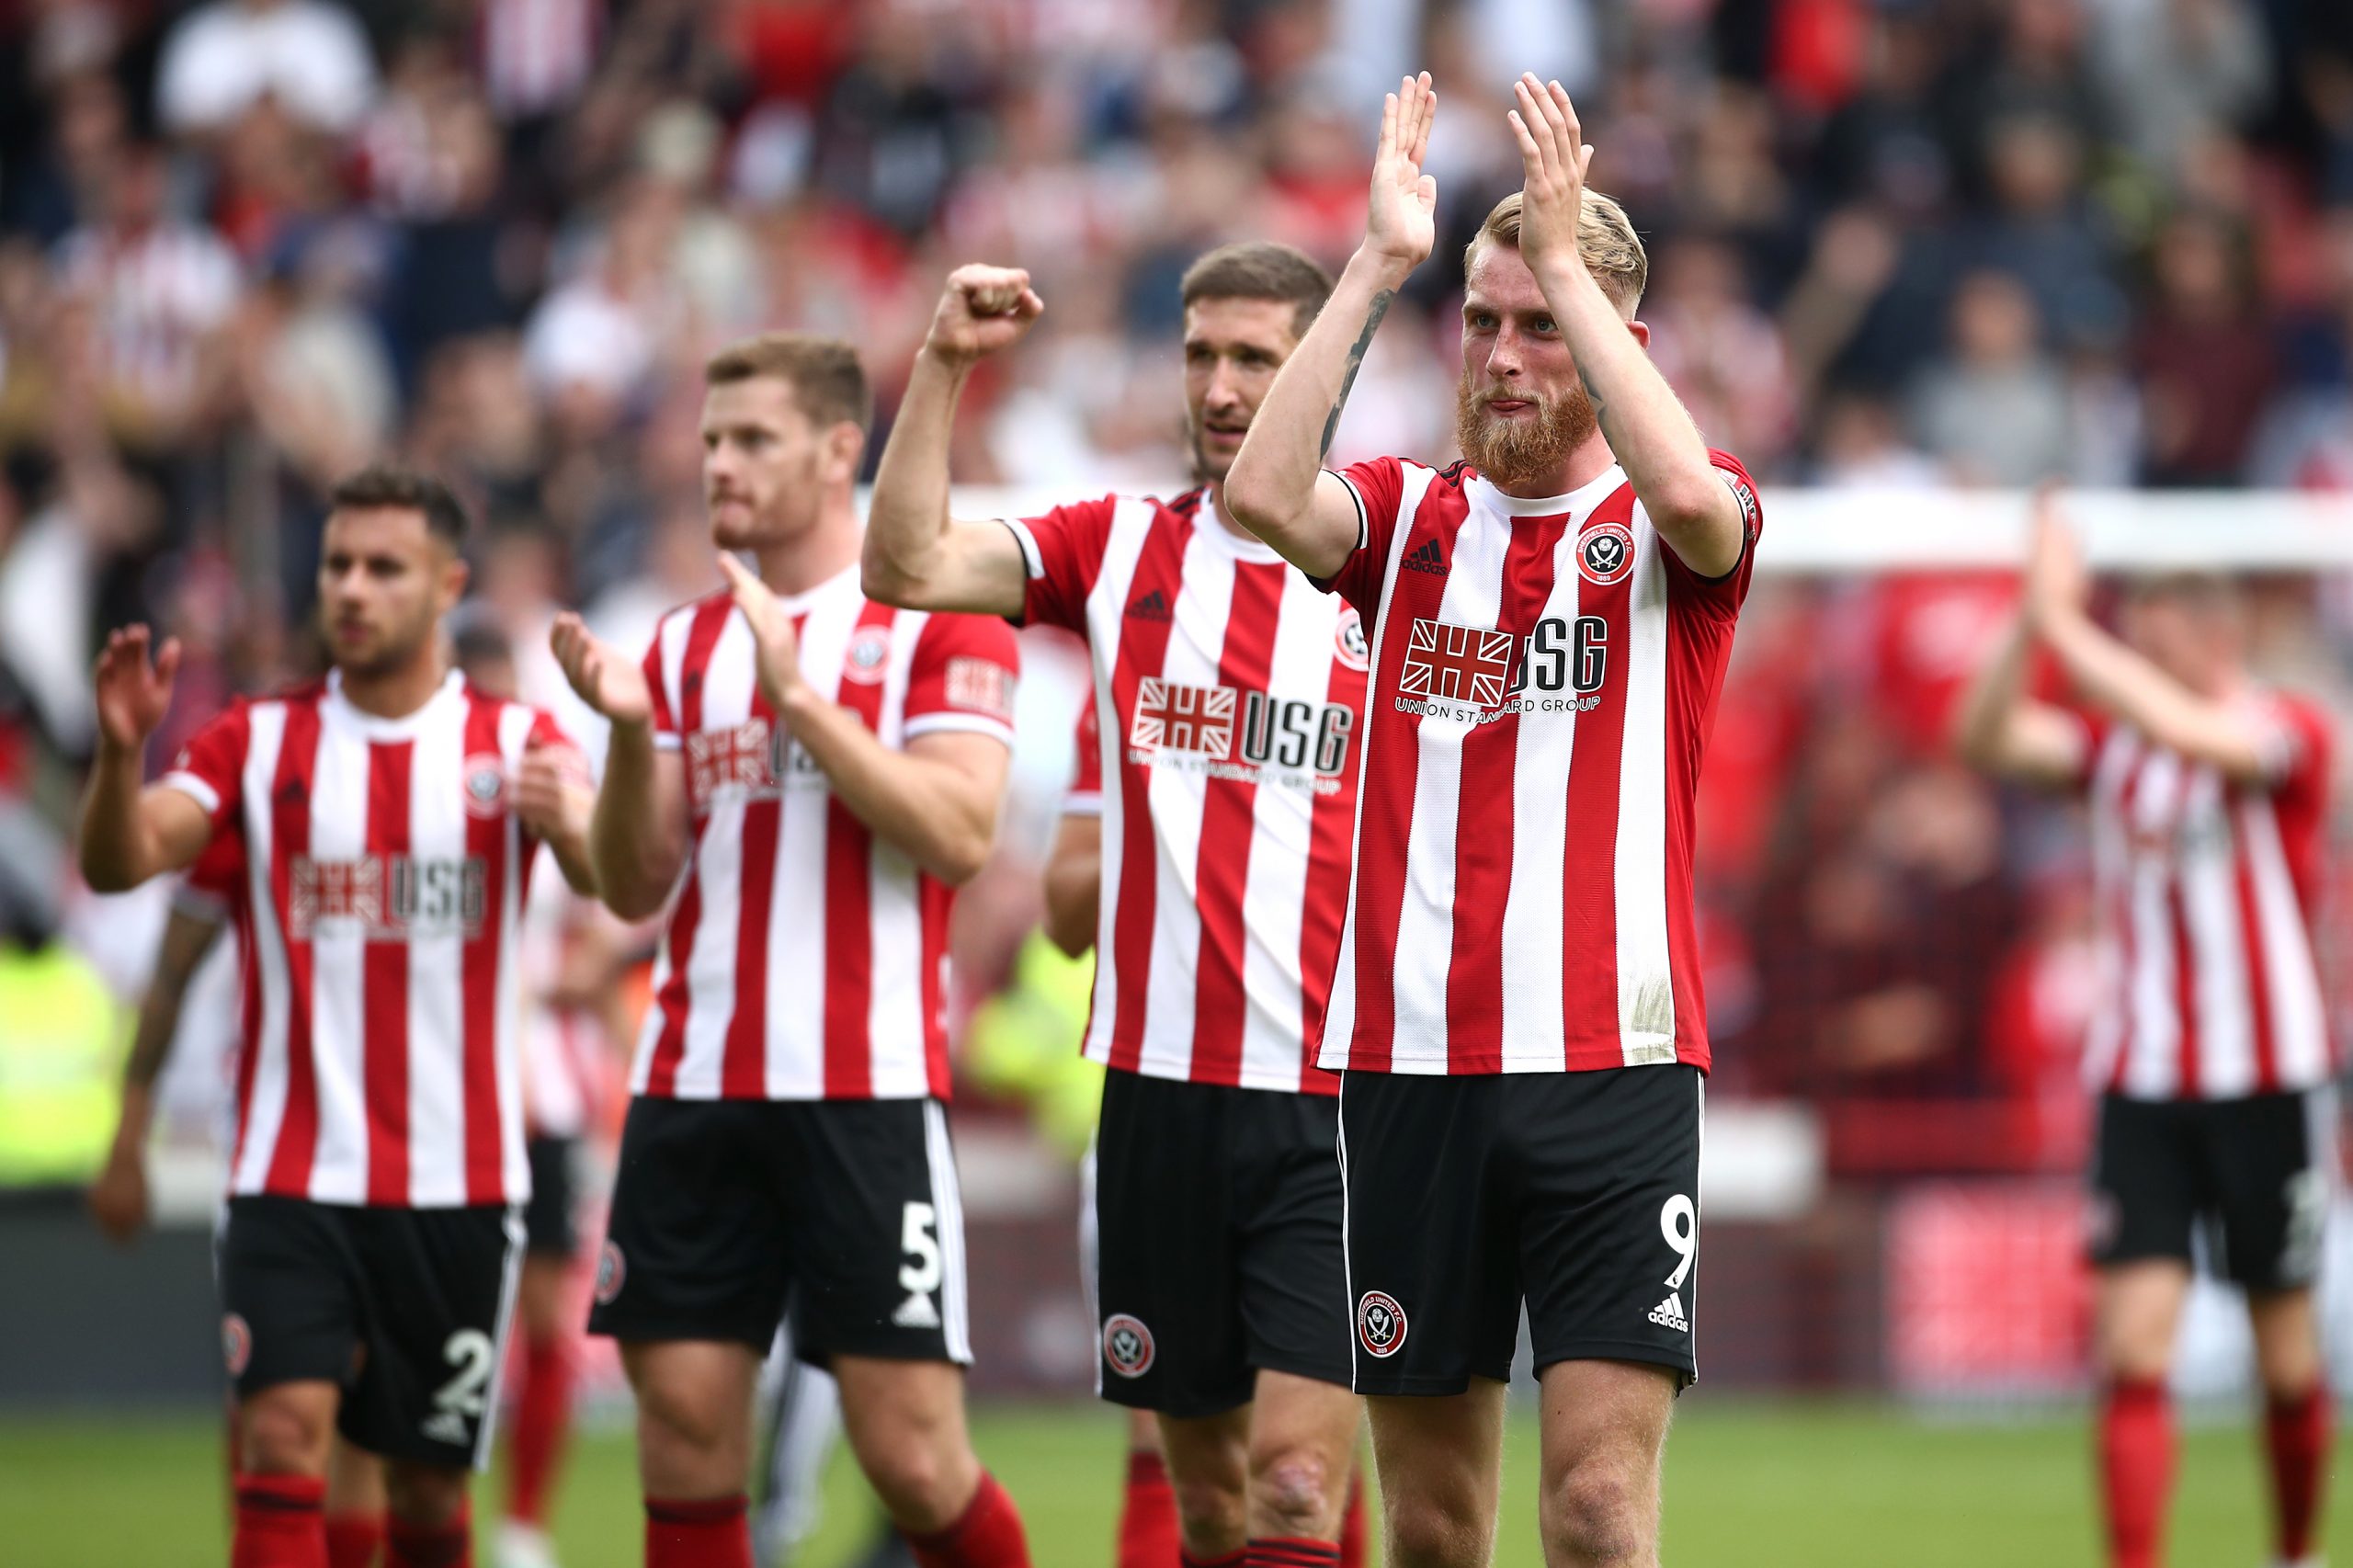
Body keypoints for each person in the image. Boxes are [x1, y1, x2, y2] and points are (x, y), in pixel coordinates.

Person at [1222, 73, 1763, 1568]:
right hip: (1411, 1070)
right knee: (1436, 1528)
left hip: (1614, 1067)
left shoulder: (1673, 522)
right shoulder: (1408, 518)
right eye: (1483, 322)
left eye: (1540, 325)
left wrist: (1572, 270)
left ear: (1611, 338)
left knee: (1595, 1510)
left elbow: (1689, 491)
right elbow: (1262, 493)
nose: (1504, 355)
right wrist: (1375, 263)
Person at [865, 238, 1372, 1568]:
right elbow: (905, 563)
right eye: (1202, 354)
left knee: (1298, 1484)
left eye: (1256, 357)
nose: (1222, 386)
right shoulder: (1119, 548)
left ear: (1325, 372)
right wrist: (943, 365)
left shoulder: (1392, 568)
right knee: (1203, 1501)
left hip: (1336, 1104)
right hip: (1154, 1101)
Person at [549, 331, 1031, 1568]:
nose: (721, 462)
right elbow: (635, 878)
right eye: (712, 438)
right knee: (684, 1434)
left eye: (753, 438)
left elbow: (959, 832)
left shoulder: (938, 619)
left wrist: (804, 704)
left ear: (835, 450)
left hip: (864, 1091)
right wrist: (626, 737)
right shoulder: (680, 644)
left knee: (911, 1456)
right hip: (694, 1084)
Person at [76, 462, 597, 1568]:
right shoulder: (254, 742)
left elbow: (621, 879)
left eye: (384, 567)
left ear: (447, 584)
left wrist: (618, 766)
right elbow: (125, 865)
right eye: (338, 564)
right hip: (289, 1173)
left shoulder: (519, 745)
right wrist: (121, 754)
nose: (353, 587)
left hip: (457, 1181)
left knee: (424, 1492)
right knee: (280, 1436)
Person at [1955, 503, 2336, 1568]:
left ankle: (2295, 1550)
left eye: (2153, 635)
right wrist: (2031, 622)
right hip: (2143, 1083)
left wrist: (2064, 627)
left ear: (2215, 635)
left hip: (2268, 1079)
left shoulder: (2284, 729)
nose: (2132, 655)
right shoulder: (2112, 752)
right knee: (2131, 1348)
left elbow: (2193, 733)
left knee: (2286, 1357)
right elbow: (1980, 736)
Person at [89, 830, 394, 1568]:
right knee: (271, 1416)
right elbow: (170, 967)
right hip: (273, 1152)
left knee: (371, 1430)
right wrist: (128, 1135)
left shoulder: (431, 791)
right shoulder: (253, 787)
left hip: (406, 1153)